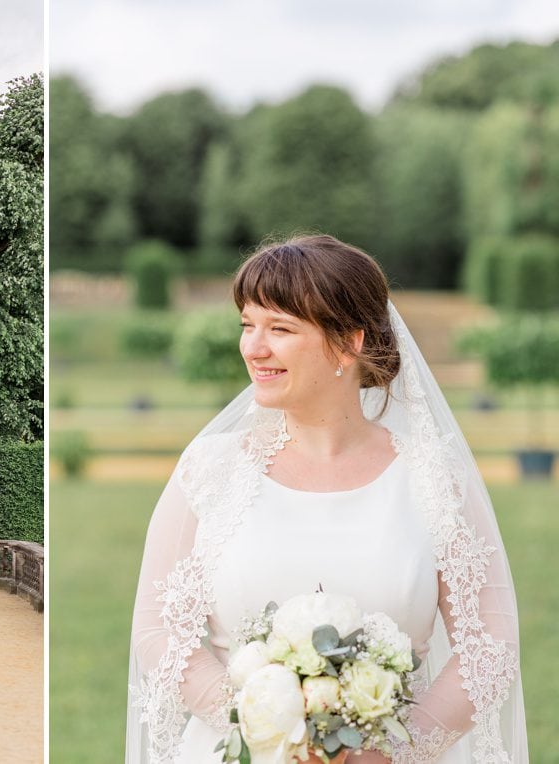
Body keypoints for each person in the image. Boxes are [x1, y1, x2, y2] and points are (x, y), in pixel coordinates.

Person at [126, 235, 526, 763]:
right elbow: (159, 630)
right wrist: (266, 728)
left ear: (348, 342)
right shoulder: (210, 472)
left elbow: (490, 642)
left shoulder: (436, 477)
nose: (253, 347)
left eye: (281, 329)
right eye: (248, 325)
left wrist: (391, 749)